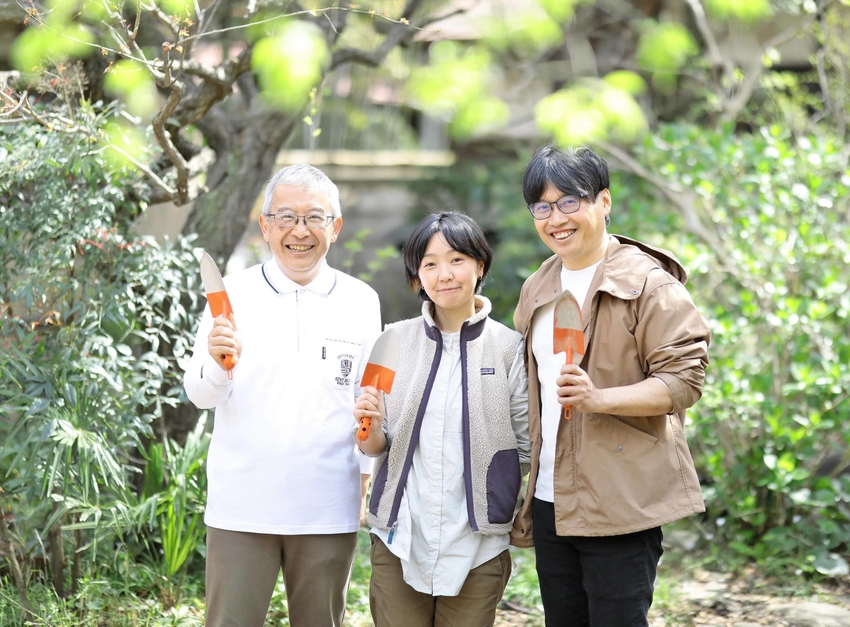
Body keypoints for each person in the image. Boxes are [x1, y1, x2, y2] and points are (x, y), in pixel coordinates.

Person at [510, 145, 711, 627]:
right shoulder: (539, 285)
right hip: (551, 498)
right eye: (542, 206)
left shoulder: (650, 284)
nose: (555, 217)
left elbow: (685, 380)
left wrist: (599, 399)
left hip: (622, 498)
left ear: (604, 201)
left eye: (569, 202)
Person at [182, 164, 381, 627]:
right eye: (286, 217)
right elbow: (200, 394)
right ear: (265, 225)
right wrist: (216, 362)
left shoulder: (361, 300)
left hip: (328, 505)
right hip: (242, 506)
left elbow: (368, 398)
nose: (300, 230)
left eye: (314, 217)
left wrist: (365, 476)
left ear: (335, 227)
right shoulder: (232, 293)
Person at [355, 212, 530, 627]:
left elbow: (526, 445)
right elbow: (372, 444)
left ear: (480, 265)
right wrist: (371, 428)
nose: (444, 274)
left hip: (477, 542)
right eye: (429, 264)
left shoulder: (508, 348)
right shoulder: (394, 341)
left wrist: (510, 503)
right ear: (417, 276)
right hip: (400, 537)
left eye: (456, 260)